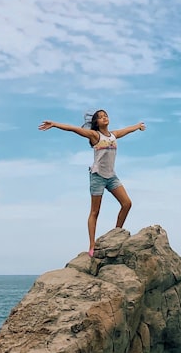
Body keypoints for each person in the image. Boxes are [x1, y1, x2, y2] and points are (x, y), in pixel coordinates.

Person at [39, 110, 146, 256]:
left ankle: (116, 233)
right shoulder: (95, 136)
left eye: (106, 115)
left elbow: (127, 130)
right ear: (96, 122)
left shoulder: (114, 135)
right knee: (95, 212)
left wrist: (138, 126)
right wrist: (55, 124)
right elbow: (73, 129)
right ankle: (92, 245)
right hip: (97, 177)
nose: (104, 118)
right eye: (101, 117)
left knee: (127, 204)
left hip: (111, 176)